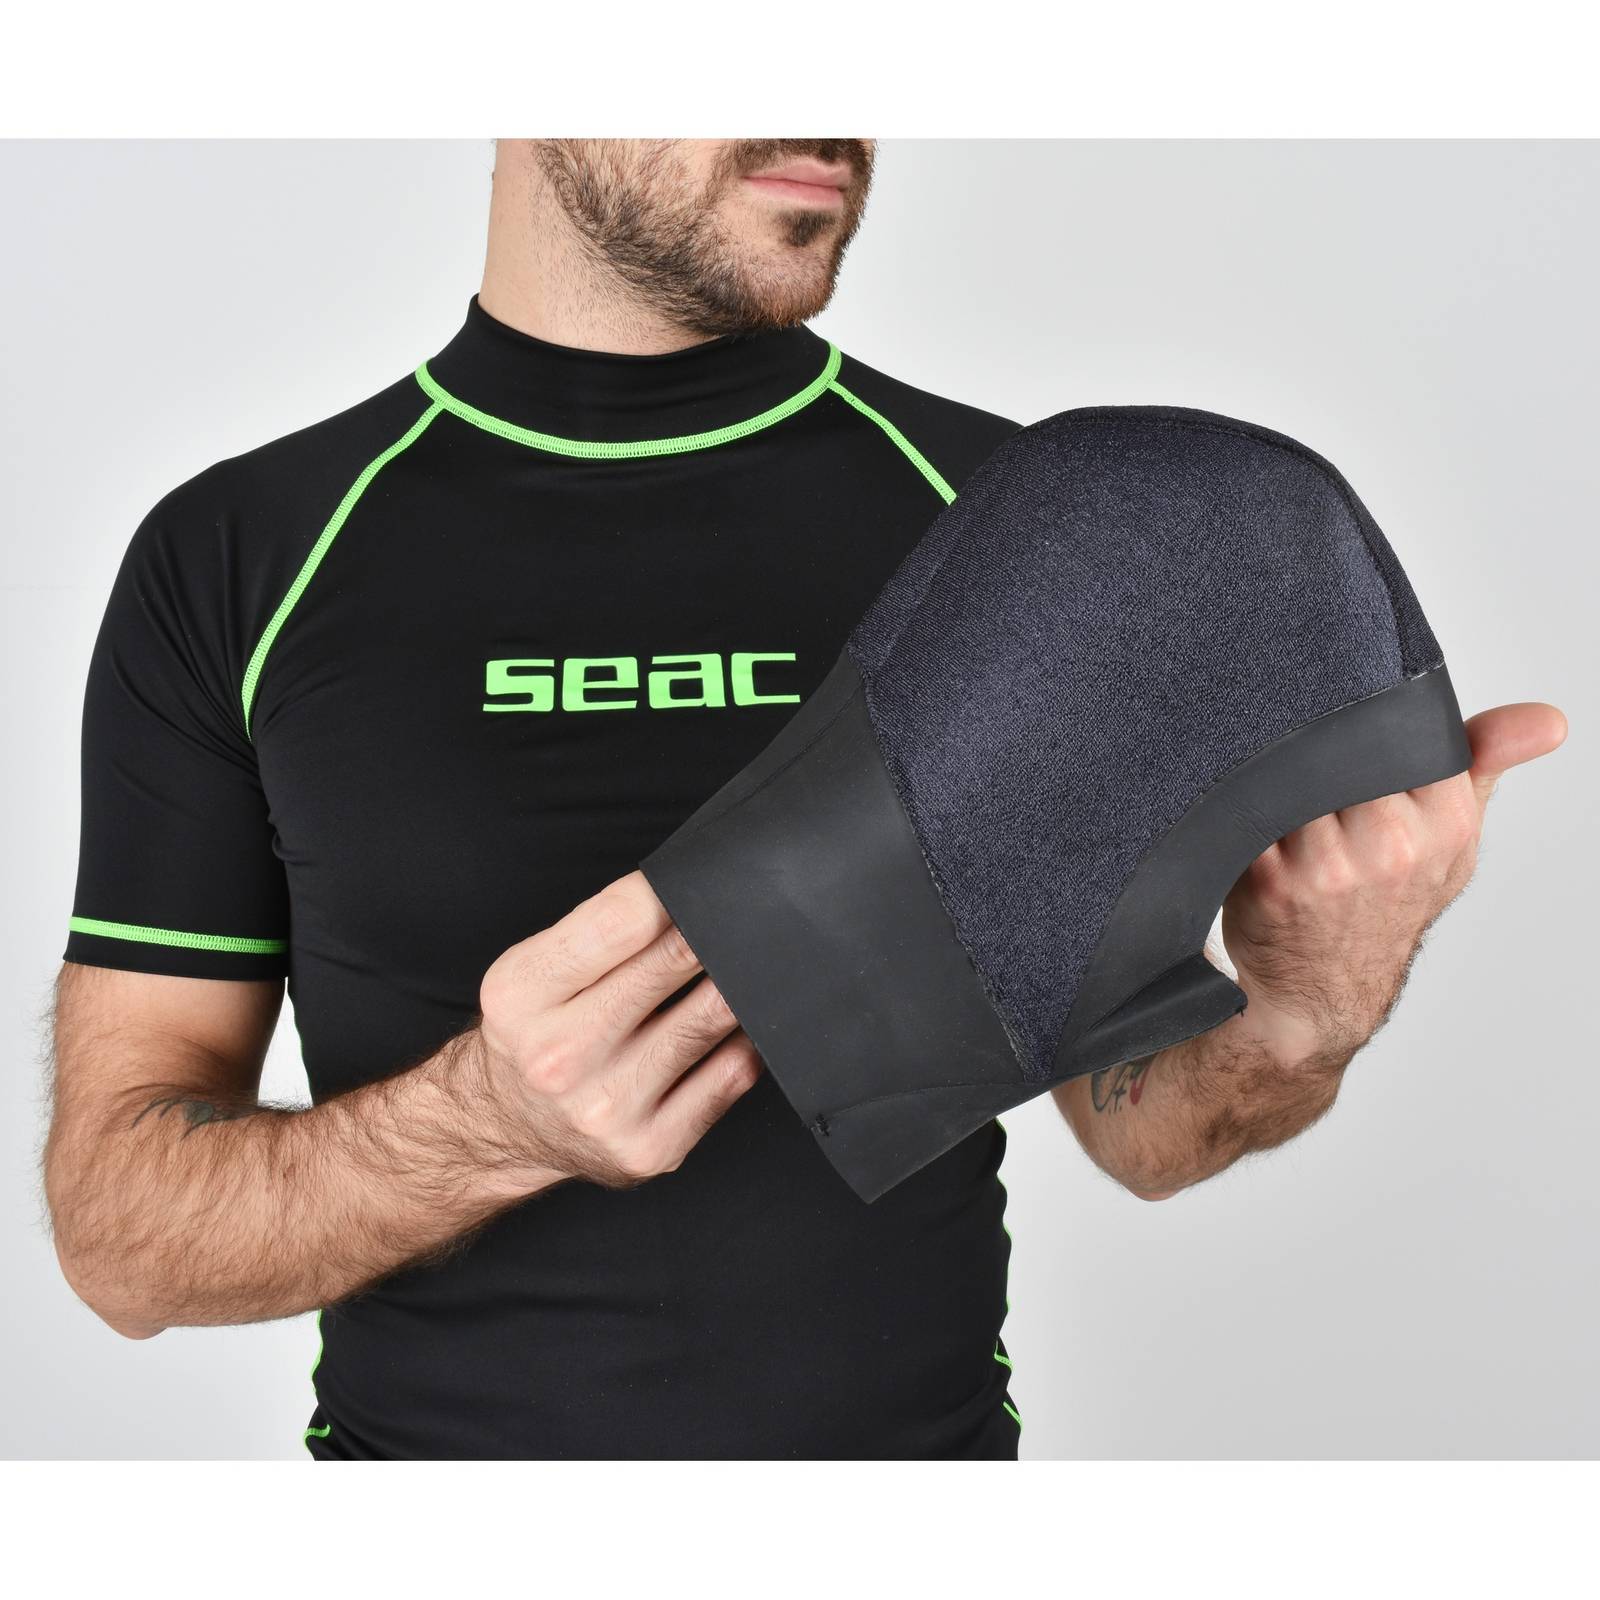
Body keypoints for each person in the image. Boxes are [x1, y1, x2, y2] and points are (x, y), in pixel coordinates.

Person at [44, 138, 1565, 1460]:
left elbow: (1142, 1135)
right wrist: (489, 1125)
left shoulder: (1015, 535)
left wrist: (1305, 1009)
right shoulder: (243, 557)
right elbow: (123, 1242)